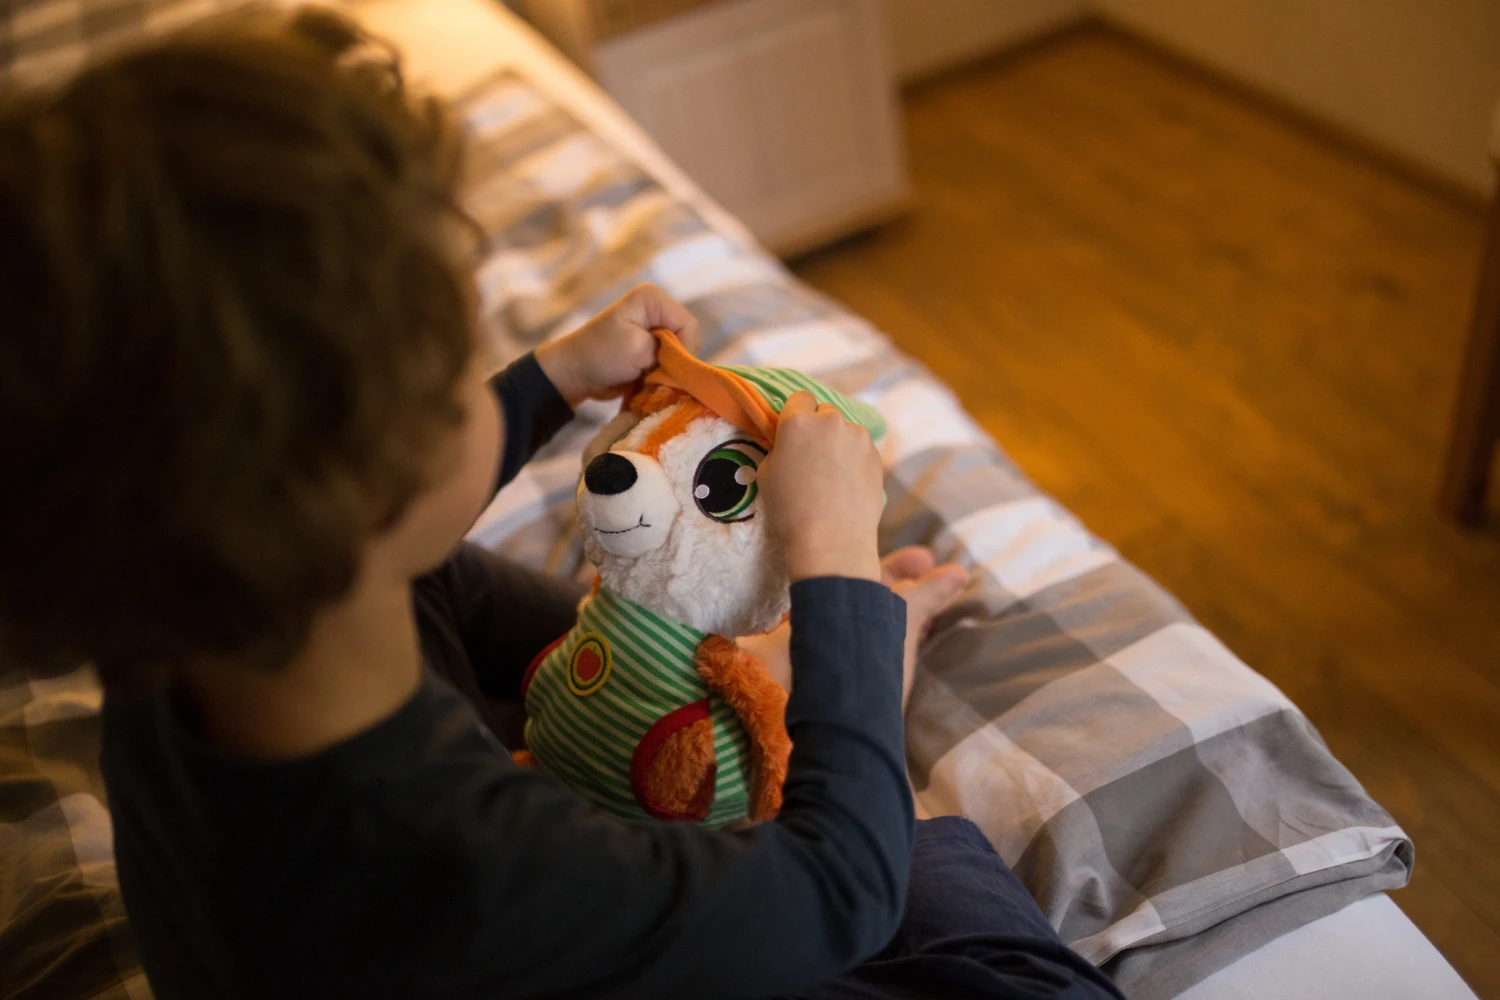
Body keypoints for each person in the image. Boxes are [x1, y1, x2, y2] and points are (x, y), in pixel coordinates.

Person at [0, 8, 1125, 1000]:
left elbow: (475, 589)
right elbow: (840, 893)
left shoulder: (181, 620)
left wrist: (551, 383)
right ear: (373, 475)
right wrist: (839, 585)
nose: (489, 375)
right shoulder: (466, 866)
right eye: (464, 362)